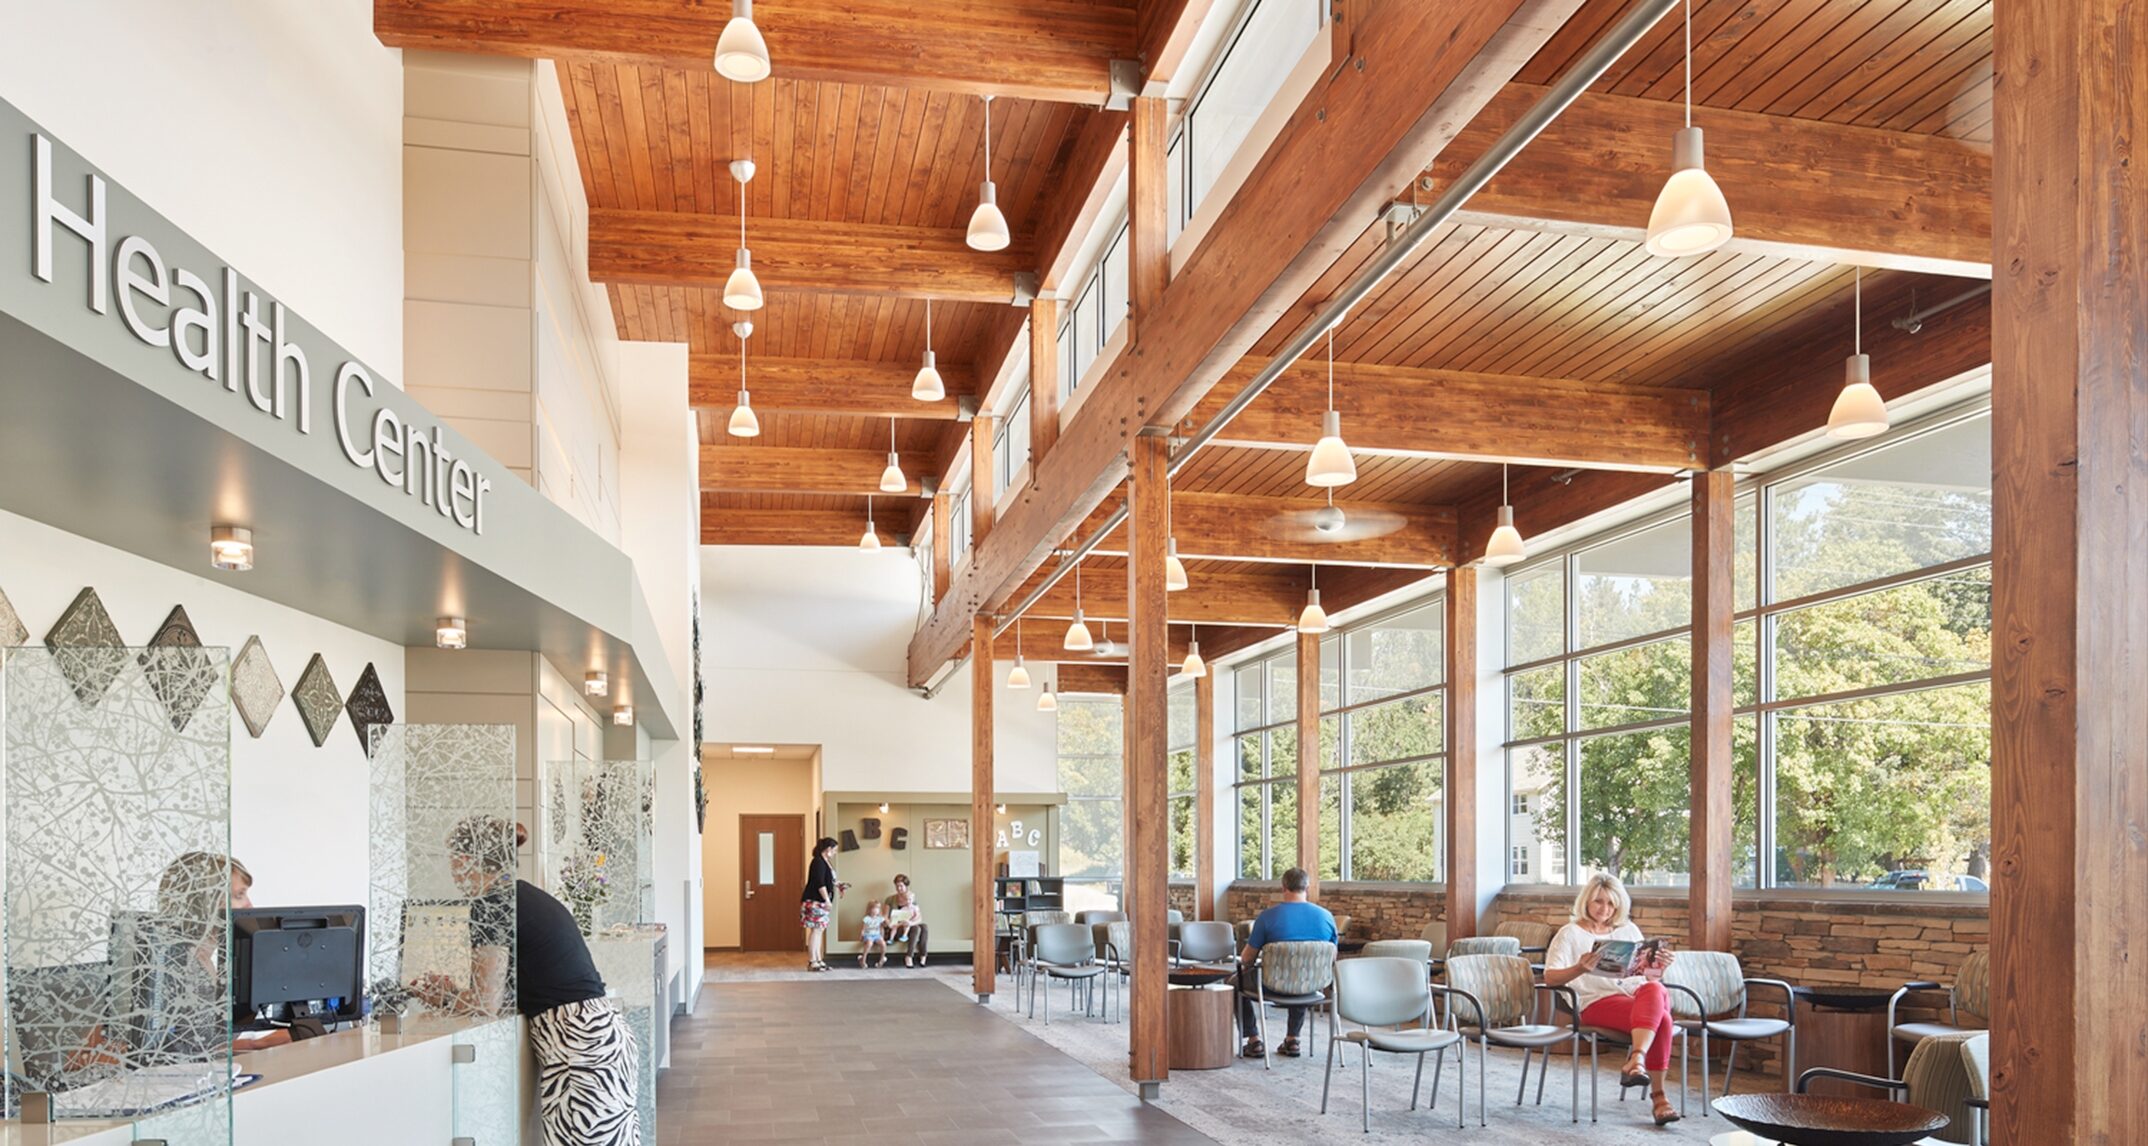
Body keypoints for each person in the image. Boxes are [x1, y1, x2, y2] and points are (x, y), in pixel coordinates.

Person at [416, 817, 640, 1146]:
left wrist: (444, 997)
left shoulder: (492, 906)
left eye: (452, 860)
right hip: (601, 1039)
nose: (451, 870)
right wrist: (454, 993)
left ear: (466, 861)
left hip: (579, 1051)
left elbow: (485, 1002)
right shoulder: (528, 896)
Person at [1543, 872, 1681, 1126]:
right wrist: (1580, 969)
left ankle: (1637, 1059)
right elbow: (1550, 978)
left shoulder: (1628, 930)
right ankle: (1659, 1098)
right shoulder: (1570, 933)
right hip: (1595, 1002)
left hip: (1635, 997)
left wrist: (1660, 965)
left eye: (1610, 903)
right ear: (1586, 901)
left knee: (1656, 991)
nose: (1604, 909)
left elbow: (1644, 977)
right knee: (1663, 1019)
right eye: (1598, 901)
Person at [1235, 867, 1338, 1059]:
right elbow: (1332, 957)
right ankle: (1292, 1040)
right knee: (1302, 973)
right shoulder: (1326, 917)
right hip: (1311, 985)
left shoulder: (1267, 917)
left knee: (1234, 983)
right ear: (1307, 887)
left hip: (1271, 985)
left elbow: (1247, 958)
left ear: (1283, 887)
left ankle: (1254, 1040)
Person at [800, 837, 846, 972]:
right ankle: (812, 961)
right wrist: (826, 899)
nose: (835, 852)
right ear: (828, 849)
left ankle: (819, 960)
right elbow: (820, 883)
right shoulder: (818, 862)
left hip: (821, 902)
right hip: (815, 901)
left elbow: (829, 880)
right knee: (816, 930)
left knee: (819, 930)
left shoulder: (825, 862)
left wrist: (838, 885)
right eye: (835, 850)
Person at [885, 873, 929, 967]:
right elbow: (885, 916)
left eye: (901, 886)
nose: (899, 888)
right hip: (896, 928)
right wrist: (889, 923)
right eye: (897, 886)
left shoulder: (911, 899)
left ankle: (923, 955)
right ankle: (909, 956)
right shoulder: (890, 899)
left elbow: (919, 918)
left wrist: (910, 922)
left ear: (906, 886)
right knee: (916, 928)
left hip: (908, 926)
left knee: (924, 926)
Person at [858, 900, 889, 969]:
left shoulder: (880, 919)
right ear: (869, 909)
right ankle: (863, 960)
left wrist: (885, 920)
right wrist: (861, 936)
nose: (875, 910)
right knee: (869, 943)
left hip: (877, 935)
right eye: (874, 908)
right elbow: (863, 929)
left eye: (877, 909)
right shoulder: (866, 919)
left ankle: (881, 960)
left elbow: (883, 926)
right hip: (868, 935)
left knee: (883, 944)